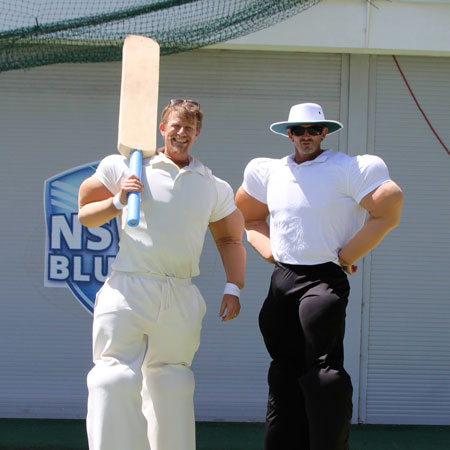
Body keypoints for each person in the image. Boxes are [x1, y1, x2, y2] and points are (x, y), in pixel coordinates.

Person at [78, 98, 246, 450]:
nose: (181, 133)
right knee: (113, 379)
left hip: (180, 293)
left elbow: (230, 237)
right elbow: (85, 212)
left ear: (198, 133)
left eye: (189, 127)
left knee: (172, 382)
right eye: (176, 126)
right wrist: (118, 201)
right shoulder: (122, 166)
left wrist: (234, 286)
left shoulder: (213, 185)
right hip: (127, 287)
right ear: (162, 128)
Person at [235, 102, 403, 450]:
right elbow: (248, 216)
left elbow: (388, 204)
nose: (306, 136)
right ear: (289, 134)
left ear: (325, 132)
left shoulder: (346, 168)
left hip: (324, 279)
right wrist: (271, 252)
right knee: (283, 372)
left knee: (324, 373)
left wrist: (347, 255)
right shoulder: (269, 171)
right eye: (298, 130)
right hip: (283, 279)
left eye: (313, 129)